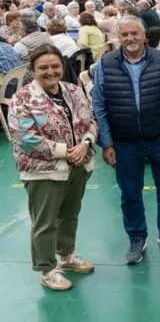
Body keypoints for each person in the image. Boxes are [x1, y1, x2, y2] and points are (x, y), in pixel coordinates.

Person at [91, 15, 160, 265]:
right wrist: (107, 142)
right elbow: (99, 105)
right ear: (118, 37)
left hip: (159, 137)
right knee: (129, 193)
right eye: (125, 35)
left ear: (145, 35)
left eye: (135, 33)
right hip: (124, 142)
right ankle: (136, 237)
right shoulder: (106, 64)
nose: (130, 39)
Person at [7, 45, 97, 291]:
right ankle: (47, 269)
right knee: (45, 222)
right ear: (33, 70)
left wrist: (85, 144)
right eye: (43, 67)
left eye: (55, 66)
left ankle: (66, 257)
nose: (50, 71)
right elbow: (24, 137)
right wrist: (65, 152)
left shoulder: (73, 90)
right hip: (43, 169)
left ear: (62, 66)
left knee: (70, 214)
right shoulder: (22, 98)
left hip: (79, 164)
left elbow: (91, 121)